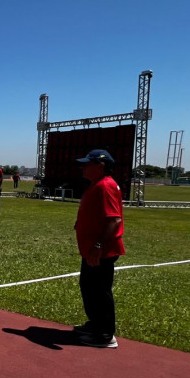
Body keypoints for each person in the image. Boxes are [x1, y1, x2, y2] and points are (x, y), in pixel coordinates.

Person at [73, 149, 125, 348]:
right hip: (92, 250)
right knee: (88, 287)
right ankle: (95, 325)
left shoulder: (105, 186)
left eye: (87, 163)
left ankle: (104, 334)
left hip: (101, 252)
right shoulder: (97, 184)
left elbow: (114, 219)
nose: (83, 167)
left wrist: (97, 246)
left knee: (99, 291)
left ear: (100, 166)